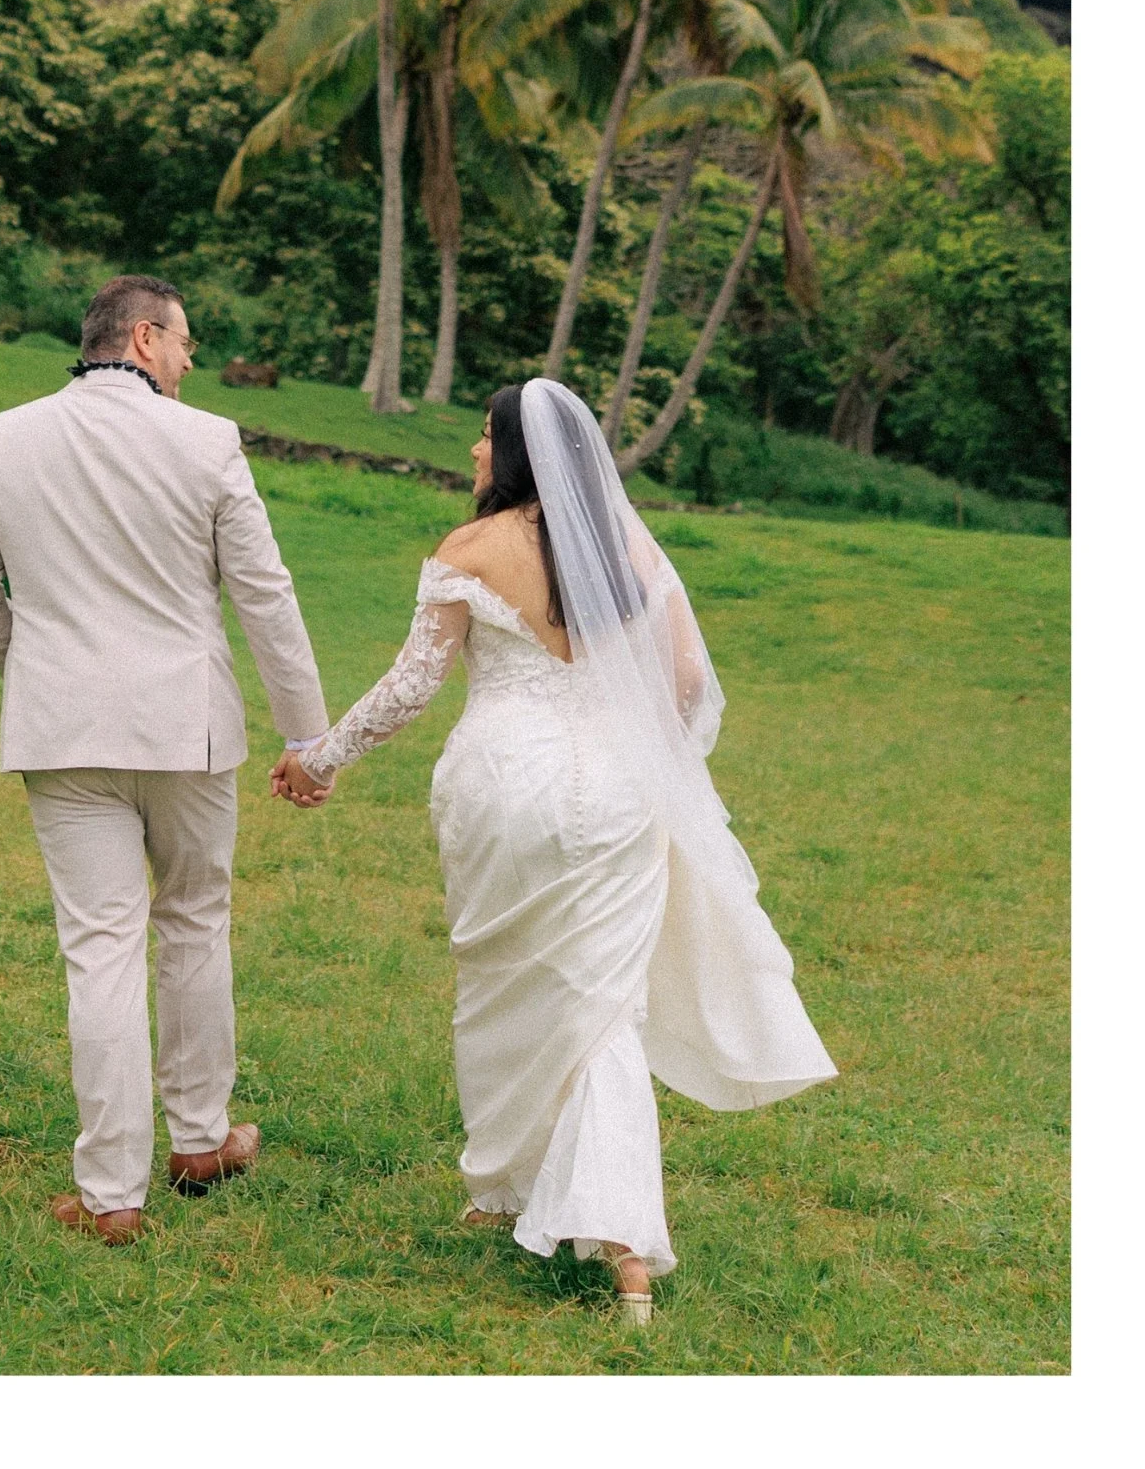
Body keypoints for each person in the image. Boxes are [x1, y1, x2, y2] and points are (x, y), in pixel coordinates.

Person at [272, 376, 835, 1324]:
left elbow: (414, 688)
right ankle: (617, 1256)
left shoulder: (473, 550)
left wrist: (320, 758)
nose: (476, 455)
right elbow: (689, 684)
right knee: (602, 1008)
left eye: (486, 440)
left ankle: (528, 1191)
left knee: (503, 985)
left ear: (519, 452)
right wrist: (648, 757)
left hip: (505, 789)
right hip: (616, 796)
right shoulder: (628, 550)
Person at [0, 275, 329, 1245]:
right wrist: (306, 736)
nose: (193, 361)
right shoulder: (208, 443)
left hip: (63, 733)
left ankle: (113, 1194)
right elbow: (265, 596)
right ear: (145, 339)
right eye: (186, 342)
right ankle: (200, 1139)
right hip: (185, 728)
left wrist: (29, 668)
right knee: (196, 917)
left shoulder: (4, 435)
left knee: (101, 949)